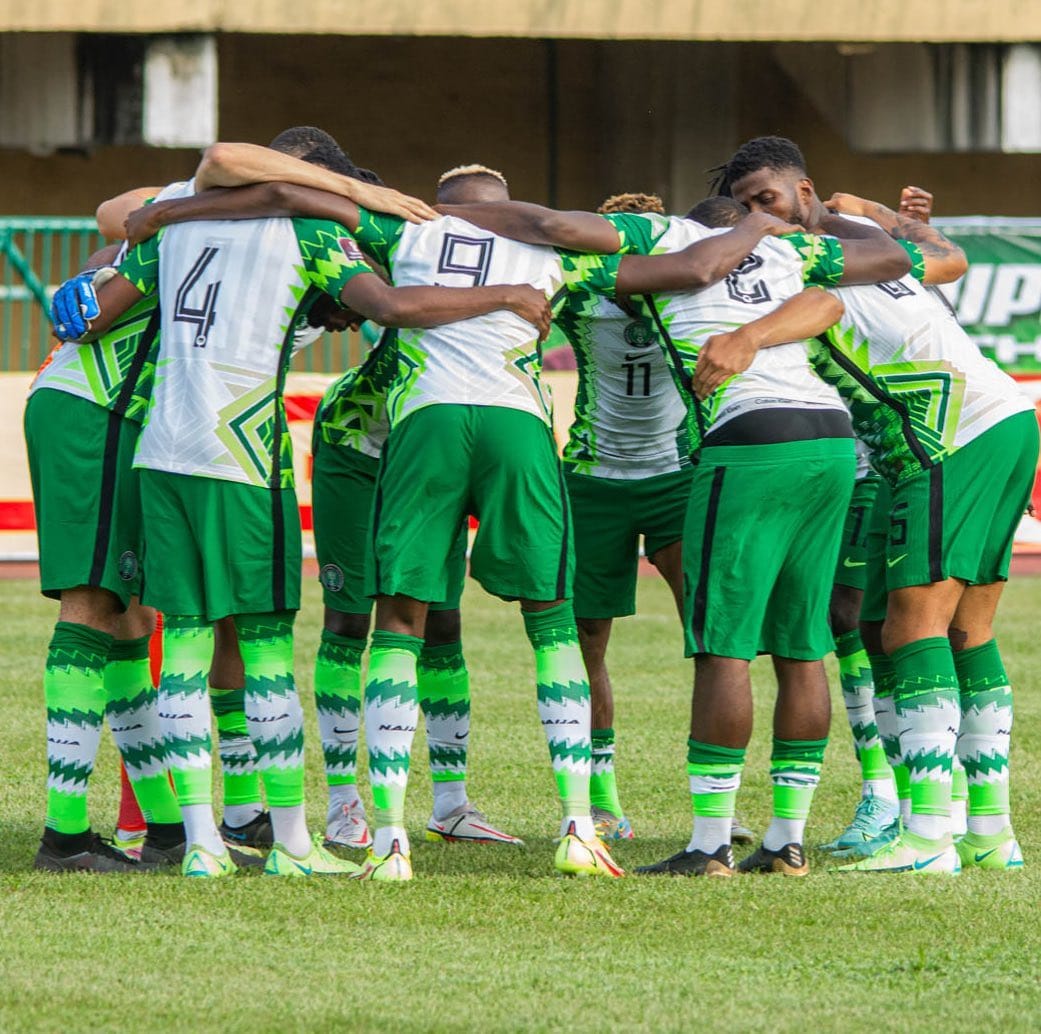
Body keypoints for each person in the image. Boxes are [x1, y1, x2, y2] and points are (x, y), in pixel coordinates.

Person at [72, 151, 550, 879]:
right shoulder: (309, 235)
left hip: (161, 450)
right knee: (264, 651)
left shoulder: (173, 231)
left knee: (188, 644)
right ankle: (293, 845)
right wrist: (505, 294)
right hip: (239, 450)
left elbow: (91, 312)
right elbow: (388, 309)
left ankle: (201, 845)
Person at [719, 135, 1037, 873]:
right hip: (997, 420)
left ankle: (927, 836)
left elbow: (824, 303)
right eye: (742, 208)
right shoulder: (860, 238)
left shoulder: (816, 256)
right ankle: (987, 829)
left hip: (950, 437)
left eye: (764, 200)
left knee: (908, 626)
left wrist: (747, 337)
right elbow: (948, 259)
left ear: (804, 193)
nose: (755, 217)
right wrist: (879, 215)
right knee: (964, 630)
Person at [311, 164, 522, 851]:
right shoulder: (397, 246)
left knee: (441, 620)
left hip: (430, 453)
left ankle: (452, 804)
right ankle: (345, 805)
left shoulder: (519, 261)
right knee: (350, 618)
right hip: (358, 448)